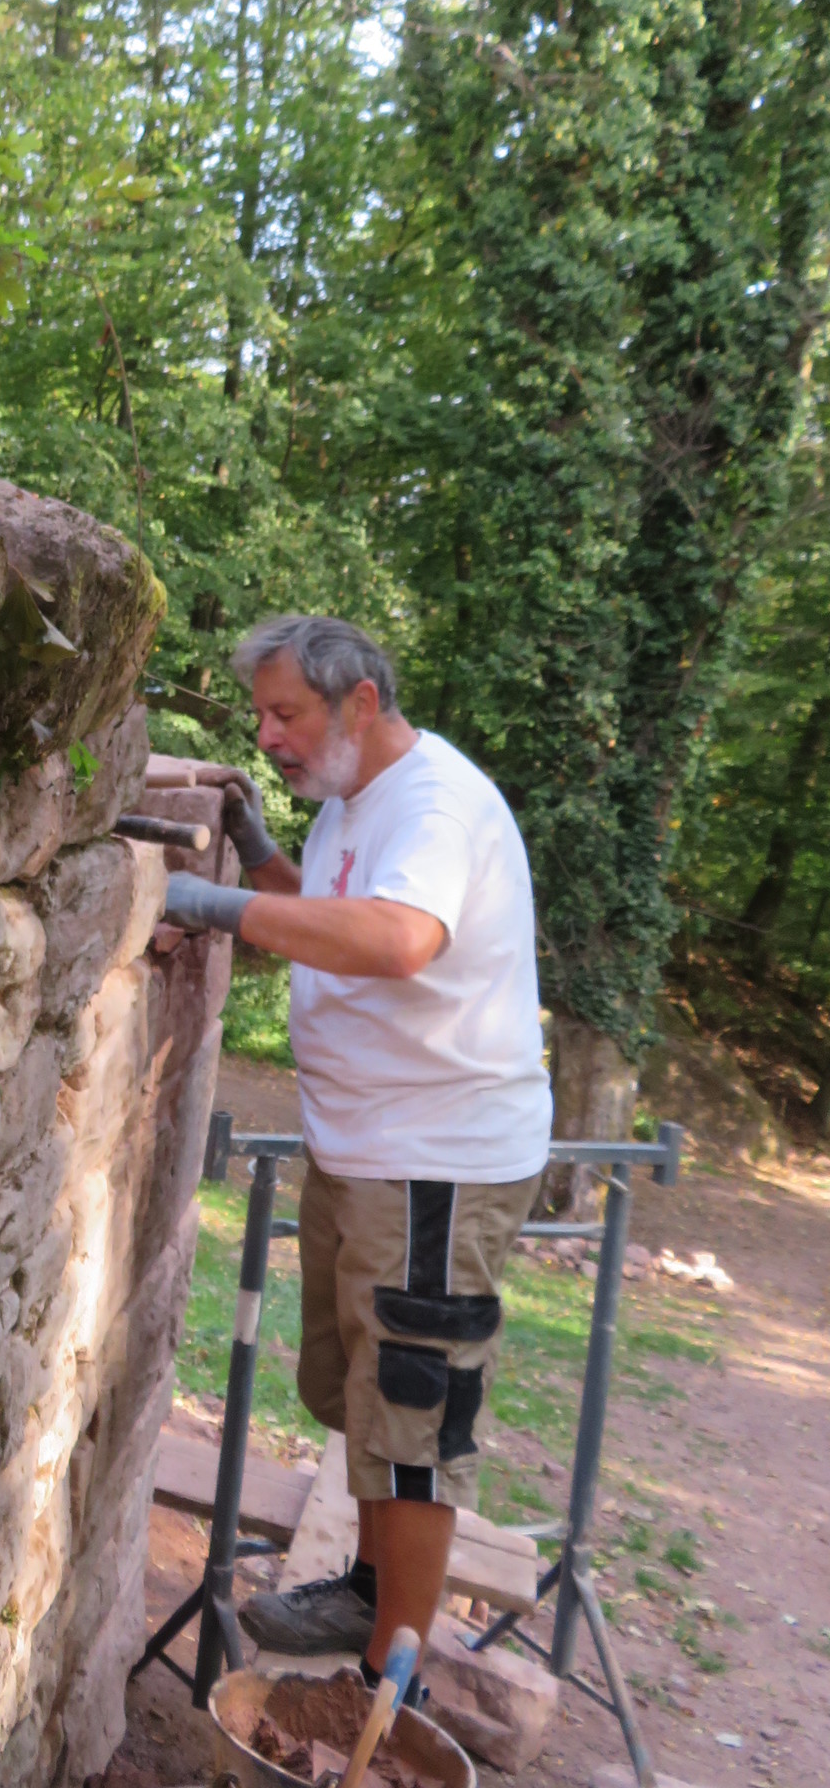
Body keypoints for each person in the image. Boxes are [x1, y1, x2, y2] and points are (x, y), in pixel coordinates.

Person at [163, 615, 552, 1699]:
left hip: (437, 1163)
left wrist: (215, 904)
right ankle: (372, 1591)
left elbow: (396, 939)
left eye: (285, 713)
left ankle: (392, 1684)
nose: (268, 736)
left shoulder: (435, 806)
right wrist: (255, 853)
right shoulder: (353, 800)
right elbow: (328, 912)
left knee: (414, 1414)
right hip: (371, 1148)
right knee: (369, 1396)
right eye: (263, 715)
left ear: (362, 702)